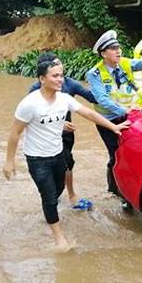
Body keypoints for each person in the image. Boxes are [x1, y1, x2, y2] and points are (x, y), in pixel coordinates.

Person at [3, 61, 130, 250]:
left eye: (61, 75)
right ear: (42, 79)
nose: (60, 79)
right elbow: (15, 133)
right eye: (55, 76)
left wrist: (113, 126)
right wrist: (9, 161)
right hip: (37, 159)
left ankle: (50, 210)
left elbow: (88, 113)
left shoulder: (64, 99)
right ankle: (58, 236)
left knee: (58, 189)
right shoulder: (29, 103)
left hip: (58, 154)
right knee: (49, 197)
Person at [86, 30, 142, 197]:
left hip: (128, 115)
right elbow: (102, 99)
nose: (118, 51)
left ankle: (131, 188)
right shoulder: (94, 74)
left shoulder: (124, 63)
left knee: (132, 151)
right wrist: (123, 111)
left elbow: (139, 63)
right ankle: (115, 189)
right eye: (112, 48)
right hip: (108, 120)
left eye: (118, 47)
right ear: (103, 53)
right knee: (115, 155)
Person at [29, 52, 96, 209]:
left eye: (60, 65)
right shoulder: (34, 90)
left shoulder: (69, 84)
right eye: (55, 66)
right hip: (45, 136)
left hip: (66, 135)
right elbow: (31, 120)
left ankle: (71, 195)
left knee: (67, 164)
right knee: (49, 166)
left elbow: (92, 98)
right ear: (44, 74)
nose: (60, 71)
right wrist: (59, 124)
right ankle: (52, 196)